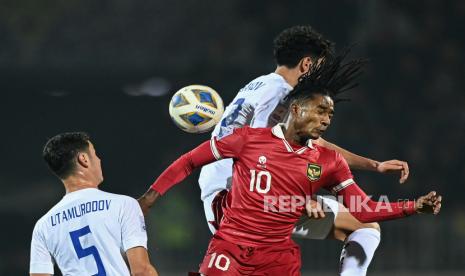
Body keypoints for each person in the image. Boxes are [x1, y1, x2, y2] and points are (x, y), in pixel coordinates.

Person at [139, 53, 442, 275]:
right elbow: (220, 155)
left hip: (262, 230)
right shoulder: (266, 115)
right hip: (232, 213)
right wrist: (151, 196)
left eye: (330, 115)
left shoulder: (323, 156)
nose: (325, 120)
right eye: (320, 111)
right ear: (296, 106)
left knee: (365, 225)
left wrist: (410, 203)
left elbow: (360, 204)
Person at [200, 25, 407, 275]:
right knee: (364, 225)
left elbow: (314, 144)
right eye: (321, 66)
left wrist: (374, 165)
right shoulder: (281, 92)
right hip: (240, 199)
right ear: (308, 64)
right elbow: (258, 149)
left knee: (363, 225)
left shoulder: (258, 85)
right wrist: (301, 197)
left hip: (227, 193)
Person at [30, 132, 158, 276]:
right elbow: (142, 271)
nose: (99, 159)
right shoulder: (124, 205)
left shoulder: (43, 226)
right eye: (95, 154)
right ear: (83, 159)